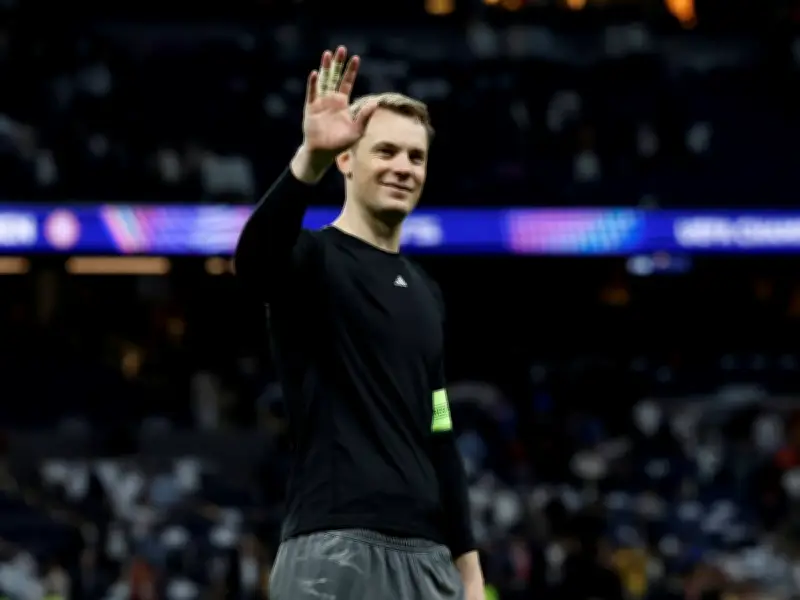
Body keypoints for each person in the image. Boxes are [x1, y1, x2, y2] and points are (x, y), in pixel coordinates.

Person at [234, 46, 484, 600]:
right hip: (333, 548)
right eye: (386, 151)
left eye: (416, 157)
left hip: (429, 560)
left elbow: (440, 425)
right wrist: (309, 160)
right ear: (346, 159)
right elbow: (252, 264)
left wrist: (467, 567)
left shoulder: (427, 292)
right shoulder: (310, 260)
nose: (403, 168)